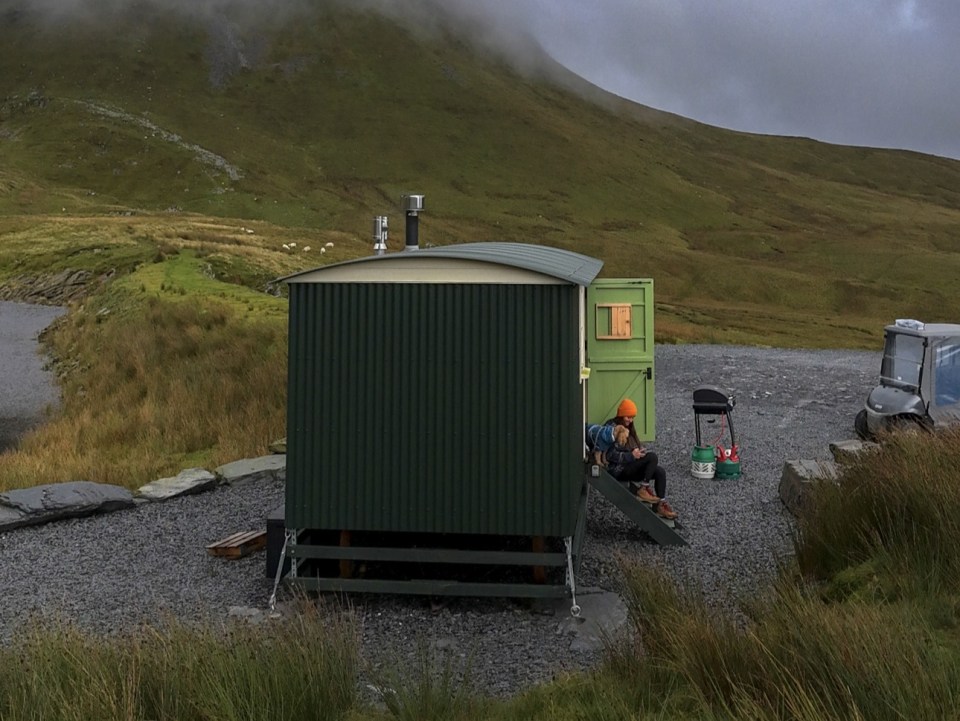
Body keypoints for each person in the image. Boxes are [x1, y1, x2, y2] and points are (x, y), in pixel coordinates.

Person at [604, 398, 678, 520]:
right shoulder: (612, 428)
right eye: (628, 417)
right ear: (621, 415)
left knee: (660, 471)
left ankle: (660, 505)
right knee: (652, 457)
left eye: (632, 417)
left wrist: (639, 452)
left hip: (629, 465)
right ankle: (643, 489)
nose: (630, 420)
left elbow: (631, 449)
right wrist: (631, 455)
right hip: (618, 469)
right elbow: (609, 455)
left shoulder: (629, 427)